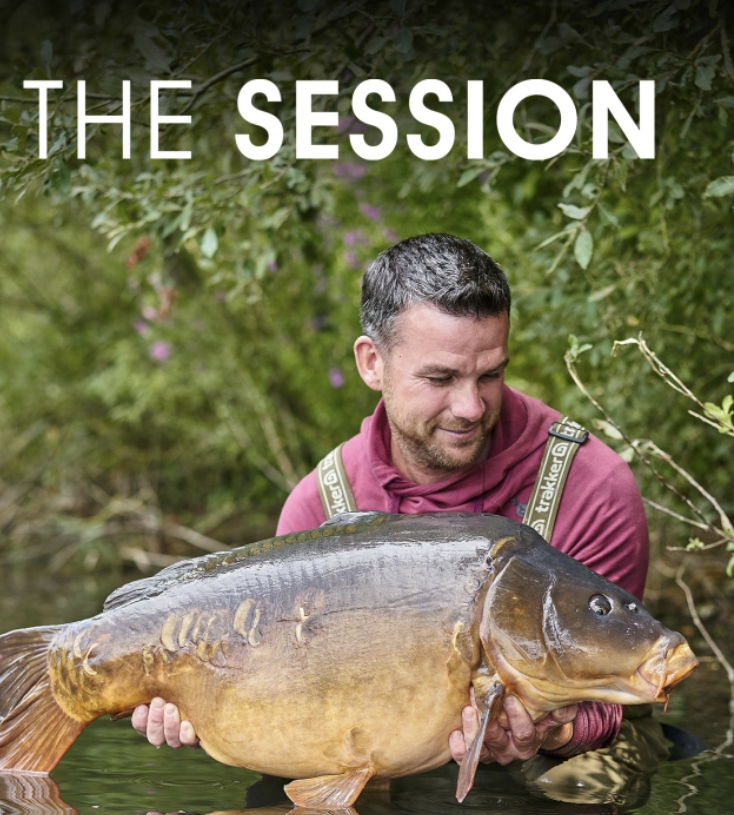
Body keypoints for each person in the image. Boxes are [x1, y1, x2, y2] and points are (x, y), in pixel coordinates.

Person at [132, 233, 648, 770]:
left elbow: (612, 691)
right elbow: (287, 700)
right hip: (374, 756)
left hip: (549, 765)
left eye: (490, 374)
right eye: (440, 378)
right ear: (371, 362)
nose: (470, 406)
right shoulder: (321, 503)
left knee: (589, 781)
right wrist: (204, 705)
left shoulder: (590, 485)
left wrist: (552, 732)